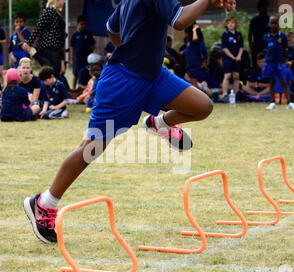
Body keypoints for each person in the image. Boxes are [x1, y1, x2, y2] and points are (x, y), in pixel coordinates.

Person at [22, 0, 236, 243]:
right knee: (92, 148)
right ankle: (44, 203)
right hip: (122, 82)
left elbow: (112, 28)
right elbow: (180, 20)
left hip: (154, 76)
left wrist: (129, 49)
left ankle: (160, 124)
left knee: (202, 106)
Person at [22, 0, 66, 82]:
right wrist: (29, 43)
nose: (64, 2)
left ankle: (34, 53)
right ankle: (33, 52)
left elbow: (62, 38)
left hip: (57, 46)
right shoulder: (49, 10)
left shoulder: (58, 13)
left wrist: (62, 59)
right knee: (52, 71)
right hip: (47, 44)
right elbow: (39, 26)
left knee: (54, 71)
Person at [263, 16, 294, 110]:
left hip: (280, 63)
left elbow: (285, 50)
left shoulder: (282, 36)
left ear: (279, 24)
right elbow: (265, 50)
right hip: (269, 63)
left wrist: (285, 61)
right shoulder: (266, 36)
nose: (274, 25)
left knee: (283, 82)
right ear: (269, 24)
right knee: (271, 82)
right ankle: (272, 102)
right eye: (272, 23)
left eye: (276, 23)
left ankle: (289, 102)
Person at [70, 15, 95, 89]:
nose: (83, 26)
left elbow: (93, 44)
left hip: (87, 58)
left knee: (87, 73)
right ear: (77, 24)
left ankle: (86, 88)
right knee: (76, 74)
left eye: (84, 24)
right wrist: (72, 59)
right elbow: (72, 48)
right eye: (81, 24)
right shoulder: (75, 35)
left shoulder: (88, 34)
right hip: (78, 58)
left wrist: (91, 53)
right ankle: (73, 89)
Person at [221, 15, 243, 94]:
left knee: (236, 76)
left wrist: (239, 56)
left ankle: (236, 94)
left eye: (232, 23)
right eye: (229, 23)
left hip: (237, 58)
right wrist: (233, 57)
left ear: (235, 24)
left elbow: (241, 47)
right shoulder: (225, 35)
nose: (231, 24)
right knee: (228, 75)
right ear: (226, 24)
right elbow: (224, 48)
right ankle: (225, 93)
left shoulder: (238, 34)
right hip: (228, 58)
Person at [184, 23, 208, 88]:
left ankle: (198, 89)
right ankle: (199, 86)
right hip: (189, 64)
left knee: (193, 80)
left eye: (186, 33)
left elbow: (195, 38)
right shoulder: (188, 40)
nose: (185, 34)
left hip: (194, 63)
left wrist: (194, 30)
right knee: (186, 77)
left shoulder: (195, 41)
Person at [249, 0, 270, 68]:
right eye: (263, 7)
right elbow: (250, 34)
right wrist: (250, 46)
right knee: (256, 64)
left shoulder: (270, 19)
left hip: (267, 45)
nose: (265, 9)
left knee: (268, 63)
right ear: (259, 8)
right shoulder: (254, 20)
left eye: (266, 7)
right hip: (257, 45)